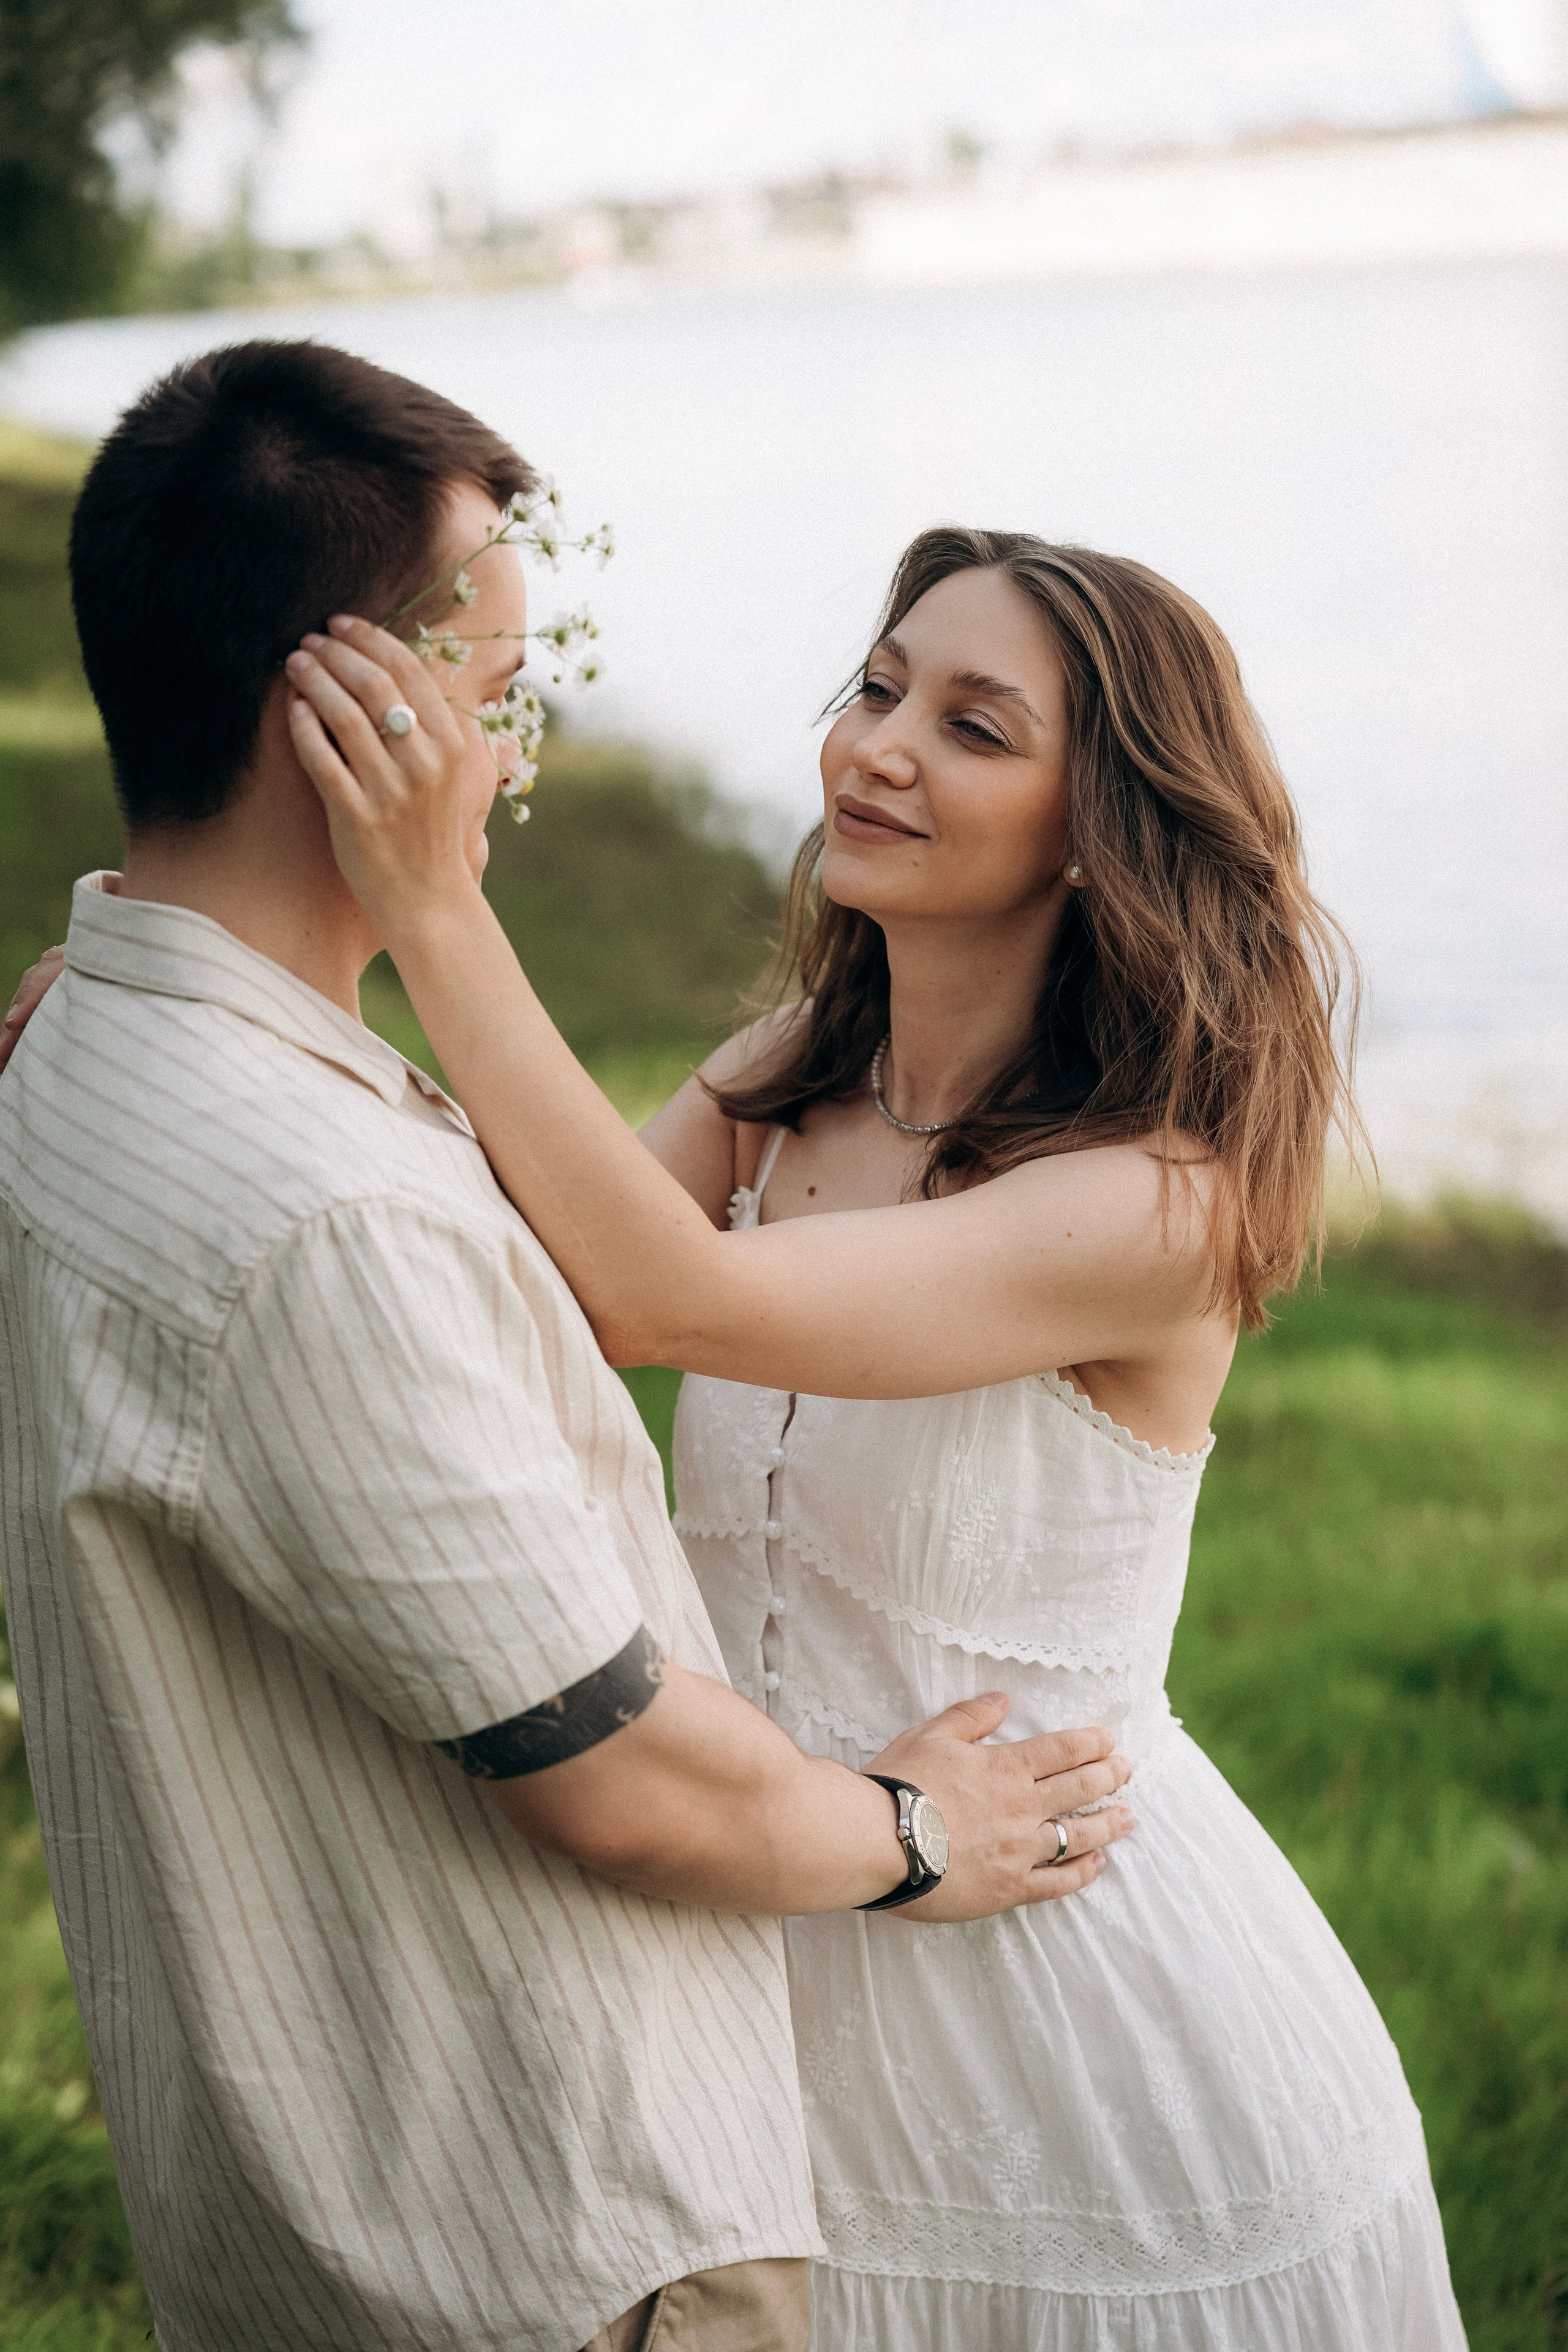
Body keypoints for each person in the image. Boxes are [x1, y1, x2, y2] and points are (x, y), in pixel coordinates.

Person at [0, 344, 1133, 2352]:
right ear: (351, 716)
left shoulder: (89, 1064)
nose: (517, 747)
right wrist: (913, 1832)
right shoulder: (328, 1211)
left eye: (969, 723)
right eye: (502, 691)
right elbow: (610, 1767)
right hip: (557, 2228)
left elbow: (551, 1286)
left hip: (389, 2179)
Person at [276, 526, 1469, 2350]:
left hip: (1075, 2000)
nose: (880, 748)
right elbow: (506, 1281)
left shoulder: (1161, 1201)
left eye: (975, 728)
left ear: (1100, 828)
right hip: (786, 1914)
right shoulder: (788, 1078)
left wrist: (436, 904)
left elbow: (660, 1297)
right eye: (882, 688)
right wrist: (237, 1037)